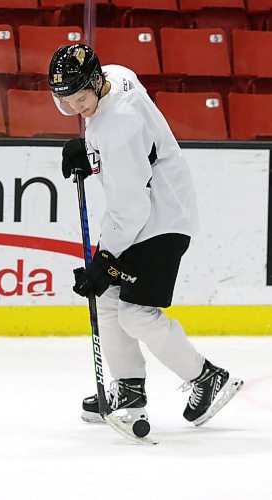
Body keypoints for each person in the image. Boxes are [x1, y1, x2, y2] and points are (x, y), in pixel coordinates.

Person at [48, 44, 243, 429]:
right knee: (105, 295)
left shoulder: (115, 124)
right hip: (148, 214)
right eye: (66, 103)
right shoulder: (116, 77)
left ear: (95, 82)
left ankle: (207, 378)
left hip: (160, 221)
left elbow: (130, 205)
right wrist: (90, 150)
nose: (75, 109)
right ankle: (129, 389)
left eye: (80, 100)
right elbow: (138, 148)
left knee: (135, 314)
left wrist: (104, 260)